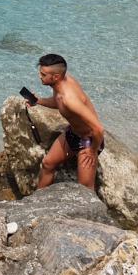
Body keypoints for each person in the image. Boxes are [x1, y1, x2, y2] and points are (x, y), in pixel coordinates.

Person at [26, 54, 105, 191]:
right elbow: (58, 102)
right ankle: (36, 201)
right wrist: (38, 101)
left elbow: (98, 128)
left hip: (87, 141)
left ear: (55, 76)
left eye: (43, 74)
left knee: (85, 189)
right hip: (72, 134)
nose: (40, 76)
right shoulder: (62, 83)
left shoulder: (69, 99)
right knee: (47, 164)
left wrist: (92, 151)